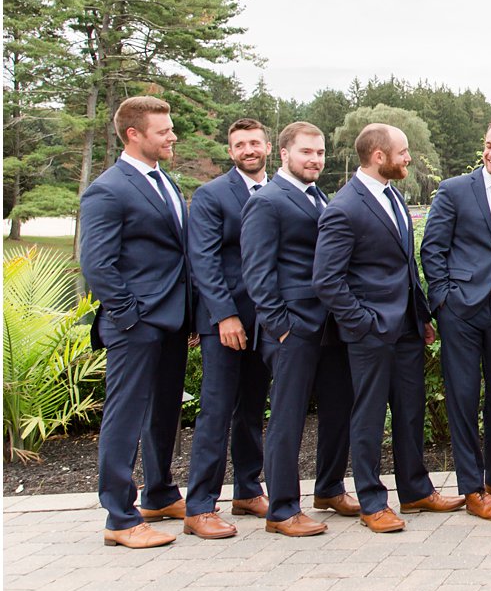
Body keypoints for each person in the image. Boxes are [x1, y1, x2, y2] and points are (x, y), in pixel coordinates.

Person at [313, 124, 464, 532]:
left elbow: (405, 267)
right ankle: (371, 501)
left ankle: (415, 490)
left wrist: (422, 316)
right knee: (369, 416)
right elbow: (327, 280)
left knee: (410, 412)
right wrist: (363, 323)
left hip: (408, 330)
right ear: (379, 155)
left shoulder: (393, 197)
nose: (408, 157)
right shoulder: (344, 207)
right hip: (370, 334)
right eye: (403, 151)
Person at [79, 96, 193, 548]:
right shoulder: (108, 189)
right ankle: (120, 518)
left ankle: (160, 493)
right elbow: (98, 264)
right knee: (125, 417)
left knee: (165, 412)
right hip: (137, 324)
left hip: (171, 321)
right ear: (134, 134)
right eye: (163, 130)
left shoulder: (163, 181)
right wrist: (129, 317)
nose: (172, 136)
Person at [241, 121, 358, 538]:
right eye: (307, 152)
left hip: (329, 326)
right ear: (285, 154)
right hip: (292, 328)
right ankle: (283, 509)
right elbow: (257, 272)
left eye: (320, 152)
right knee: (288, 420)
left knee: (338, 409)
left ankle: (328, 488)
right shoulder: (267, 201)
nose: (315, 160)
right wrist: (280, 326)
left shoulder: (319, 198)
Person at [420, 115, 491, 522]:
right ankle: (472, 488)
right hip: (461, 311)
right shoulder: (455, 190)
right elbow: (432, 250)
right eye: (488, 145)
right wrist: (443, 301)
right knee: (464, 396)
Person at [182, 118, 273, 539]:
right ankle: (200, 505)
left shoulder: (278, 193)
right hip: (226, 322)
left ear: (269, 146)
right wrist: (225, 315)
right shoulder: (211, 195)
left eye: (254, 142)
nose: (248, 149)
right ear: (230, 150)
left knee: (253, 408)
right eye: (240, 144)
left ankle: (248, 490)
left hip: (266, 321)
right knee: (216, 411)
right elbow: (204, 261)